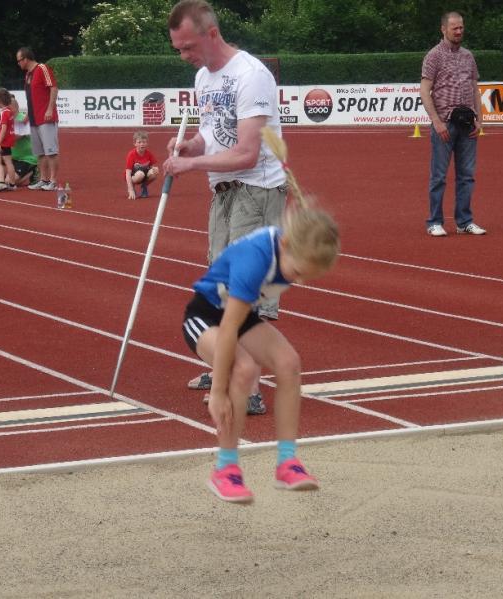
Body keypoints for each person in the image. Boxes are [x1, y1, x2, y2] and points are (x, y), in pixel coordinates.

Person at [181, 126, 339, 503]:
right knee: (244, 369)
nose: (297, 280)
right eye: (296, 272)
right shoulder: (256, 260)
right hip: (206, 315)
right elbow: (229, 327)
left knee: (288, 362)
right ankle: (225, 469)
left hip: (238, 313)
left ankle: (287, 463)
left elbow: (246, 318)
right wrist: (217, 392)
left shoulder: (295, 248)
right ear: (285, 244)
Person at [164, 0, 286, 415]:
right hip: (223, 190)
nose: (184, 56)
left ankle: (248, 387)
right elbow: (210, 133)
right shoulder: (203, 76)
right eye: (178, 49)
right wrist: (190, 146)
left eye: (188, 46)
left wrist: (191, 164)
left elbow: (247, 153)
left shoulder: (251, 76)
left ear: (211, 33)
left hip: (257, 189)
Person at [420, 11, 486, 237]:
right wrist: (436, 121)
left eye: (461, 27)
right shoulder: (433, 56)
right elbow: (424, 91)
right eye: (454, 28)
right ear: (443, 29)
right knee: (438, 176)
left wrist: (479, 119)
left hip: (468, 124)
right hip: (445, 125)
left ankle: (464, 221)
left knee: (467, 175)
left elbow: (475, 89)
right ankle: (434, 221)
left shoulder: (468, 56)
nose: (459, 31)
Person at [16, 47, 59, 191]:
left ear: (26, 59)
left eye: (19, 61)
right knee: (39, 153)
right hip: (34, 119)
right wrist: (28, 115)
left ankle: (53, 181)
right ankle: (43, 179)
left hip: (45, 118)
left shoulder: (42, 68)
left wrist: (50, 109)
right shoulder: (28, 75)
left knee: (51, 151)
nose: (18, 64)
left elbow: (53, 88)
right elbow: (31, 98)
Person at [0, 87, 18, 191]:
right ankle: (2, 182)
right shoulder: (8, 111)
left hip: (4, 141)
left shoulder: (4, 112)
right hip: (6, 140)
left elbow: (4, 128)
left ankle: (11, 184)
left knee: (7, 161)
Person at [124, 130, 159, 199]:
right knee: (140, 174)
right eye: (139, 142)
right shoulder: (131, 154)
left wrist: (155, 169)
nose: (142, 144)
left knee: (154, 172)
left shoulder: (149, 154)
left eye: (144, 142)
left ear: (147, 143)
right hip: (134, 176)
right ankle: (132, 187)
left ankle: (144, 186)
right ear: (135, 144)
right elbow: (128, 173)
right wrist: (130, 189)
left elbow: (152, 167)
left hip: (144, 174)